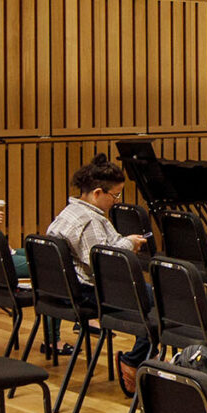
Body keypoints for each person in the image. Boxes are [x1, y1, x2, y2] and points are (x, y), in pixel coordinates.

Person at [45, 156, 151, 385]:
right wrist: (129, 244)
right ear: (97, 193)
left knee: (153, 294)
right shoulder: (89, 220)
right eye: (115, 195)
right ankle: (133, 362)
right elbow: (101, 261)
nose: (116, 201)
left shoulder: (69, 212)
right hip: (90, 292)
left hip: (67, 291)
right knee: (162, 300)